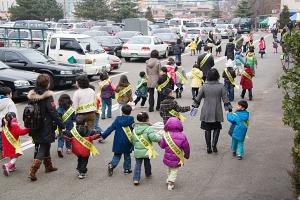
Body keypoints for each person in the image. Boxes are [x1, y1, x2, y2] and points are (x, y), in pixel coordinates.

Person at [27, 74, 65, 181]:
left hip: (34, 124)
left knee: (45, 143)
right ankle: (33, 171)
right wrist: (62, 125)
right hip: (45, 125)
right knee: (44, 145)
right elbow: (53, 112)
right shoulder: (48, 95)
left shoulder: (32, 95)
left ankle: (48, 166)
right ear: (47, 84)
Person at [193, 69, 231, 154]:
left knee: (207, 129)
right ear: (217, 76)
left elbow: (198, 98)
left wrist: (194, 107)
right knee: (217, 128)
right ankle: (214, 145)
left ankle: (208, 147)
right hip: (217, 110)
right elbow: (225, 99)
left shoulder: (204, 86)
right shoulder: (221, 86)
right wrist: (229, 109)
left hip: (206, 110)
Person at [102, 105, 134, 176]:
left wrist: (103, 135)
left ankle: (112, 165)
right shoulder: (131, 119)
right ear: (130, 112)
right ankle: (127, 169)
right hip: (127, 141)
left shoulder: (117, 119)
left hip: (118, 141)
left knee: (117, 155)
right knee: (127, 155)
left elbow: (110, 128)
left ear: (122, 111)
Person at [159, 117, 190, 190]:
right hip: (177, 157)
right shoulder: (182, 136)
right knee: (174, 170)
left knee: (169, 168)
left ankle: (169, 178)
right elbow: (186, 147)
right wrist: (187, 155)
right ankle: (171, 182)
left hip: (167, 156)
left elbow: (162, 146)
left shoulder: (166, 135)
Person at [132, 112, 161, 185]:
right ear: (147, 119)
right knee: (147, 162)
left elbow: (133, 139)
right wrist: (160, 139)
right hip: (147, 150)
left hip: (137, 150)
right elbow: (153, 138)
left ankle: (136, 178)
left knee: (137, 164)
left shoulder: (134, 128)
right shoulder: (149, 128)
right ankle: (148, 173)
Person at [1, 112, 30, 176]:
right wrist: (29, 129)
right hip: (13, 144)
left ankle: (12, 167)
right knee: (15, 156)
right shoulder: (14, 125)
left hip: (6, 144)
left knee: (12, 155)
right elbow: (21, 132)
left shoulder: (5, 124)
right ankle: (8, 166)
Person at [0, 86, 17, 159]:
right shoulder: (10, 102)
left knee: (1, 140)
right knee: (10, 141)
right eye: (11, 94)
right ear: (8, 94)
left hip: (0, 125)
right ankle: (11, 160)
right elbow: (13, 114)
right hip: (7, 124)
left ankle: (1, 153)